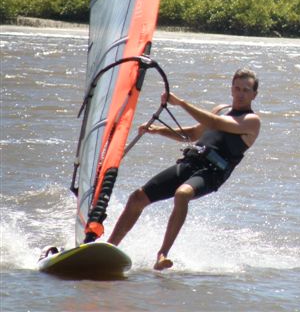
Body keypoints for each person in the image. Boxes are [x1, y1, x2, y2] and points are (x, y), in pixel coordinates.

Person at [107, 68, 261, 270]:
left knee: (182, 194)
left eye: (246, 90)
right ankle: (108, 248)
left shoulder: (252, 121)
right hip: (190, 163)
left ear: (254, 95)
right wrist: (158, 131)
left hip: (212, 173)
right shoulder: (220, 109)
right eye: (237, 88)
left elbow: (214, 123)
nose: (240, 94)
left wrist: (180, 103)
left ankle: (162, 255)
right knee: (137, 197)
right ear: (231, 89)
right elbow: (193, 134)